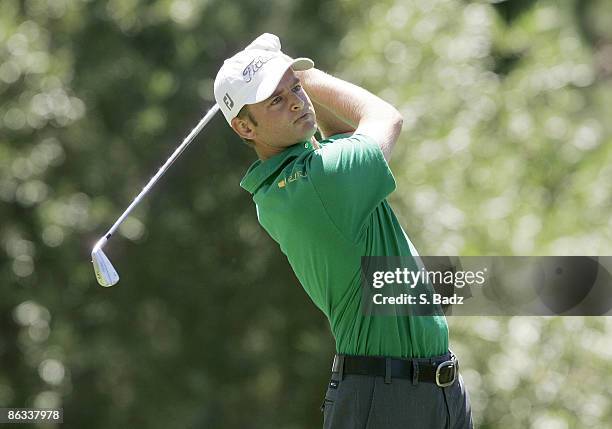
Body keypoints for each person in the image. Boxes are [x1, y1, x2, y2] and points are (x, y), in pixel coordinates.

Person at [214, 33, 473, 428]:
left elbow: (339, 136)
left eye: (295, 89)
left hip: (431, 391)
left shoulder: (295, 180)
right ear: (244, 128)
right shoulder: (321, 181)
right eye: (276, 100)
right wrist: (303, 71)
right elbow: (386, 117)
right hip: (387, 398)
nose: (298, 101)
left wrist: (283, 75)